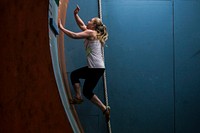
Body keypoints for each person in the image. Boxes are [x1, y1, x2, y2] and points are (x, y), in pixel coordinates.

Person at [58, 5, 110, 122]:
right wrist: (75, 15)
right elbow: (82, 25)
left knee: (75, 75)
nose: (88, 21)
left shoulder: (91, 33)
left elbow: (75, 35)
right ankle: (104, 109)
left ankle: (78, 97)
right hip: (98, 68)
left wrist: (61, 28)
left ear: (94, 26)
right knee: (87, 91)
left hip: (95, 68)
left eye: (90, 21)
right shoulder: (91, 32)